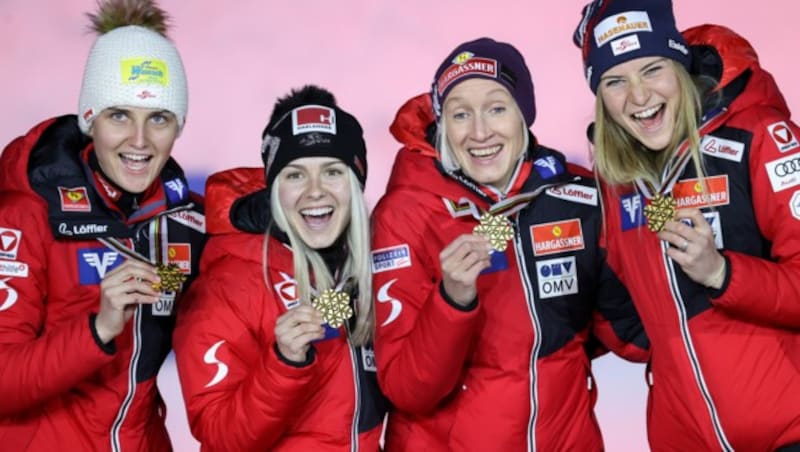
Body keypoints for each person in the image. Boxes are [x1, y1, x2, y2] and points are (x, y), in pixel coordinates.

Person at [370, 37, 647, 451]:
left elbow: (629, 335)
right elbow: (409, 390)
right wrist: (453, 299)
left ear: (524, 115)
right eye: (460, 114)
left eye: (497, 108)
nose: (480, 132)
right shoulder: (406, 212)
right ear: (444, 124)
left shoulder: (578, 196)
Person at [573, 0, 800, 450]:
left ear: (680, 65)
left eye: (652, 69)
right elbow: (622, 315)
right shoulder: (616, 185)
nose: (638, 97)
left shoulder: (760, 137)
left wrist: (721, 273)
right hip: (683, 436)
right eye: (615, 81)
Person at [0, 0, 205, 450]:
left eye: (158, 118)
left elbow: (269, 275)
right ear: (90, 120)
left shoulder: (187, 222)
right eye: (119, 115)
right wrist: (99, 328)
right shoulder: (27, 213)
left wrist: (337, 301)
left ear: (178, 127)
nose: (139, 140)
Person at [173, 85, 387, 451]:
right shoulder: (230, 282)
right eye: (295, 175)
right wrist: (284, 362)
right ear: (274, 189)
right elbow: (219, 435)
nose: (315, 191)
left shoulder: (371, 271)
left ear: (355, 183)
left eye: (332, 171)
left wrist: (453, 300)